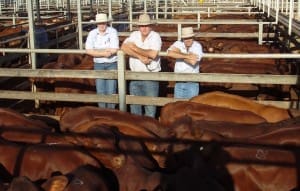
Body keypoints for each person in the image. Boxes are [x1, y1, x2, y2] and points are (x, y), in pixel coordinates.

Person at [121, 13, 162, 118]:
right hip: (134, 76)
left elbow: (152, 54)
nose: (144, 28)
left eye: (146, 26)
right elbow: (123, 47)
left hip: (150, 76)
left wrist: (135, 48)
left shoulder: (155, 36)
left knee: (150, 110)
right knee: (135, 110)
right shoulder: (134, 35)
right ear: (139, 27)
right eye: (142, 26)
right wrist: (139, 56)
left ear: (150, 26)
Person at [85, 13, 119, 109]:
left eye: (103, 23)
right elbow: (88, 50)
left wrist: (97, 52)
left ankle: (110, 112)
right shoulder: (92, 33)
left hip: (111, 63)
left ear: (107, 23)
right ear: (97, 24)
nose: (102, 25)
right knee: (100, 90)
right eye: (100, 23)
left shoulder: (112, 31)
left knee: (111, 90)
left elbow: (115, 48)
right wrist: (104, 53)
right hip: (98, 64)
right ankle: (102, 111)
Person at [167, 27, 203, 99]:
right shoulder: (178, 43)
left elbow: (193, 62)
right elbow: (169, 53)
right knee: (178, 106)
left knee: (191, 106)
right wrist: (188, 56)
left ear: (193, 37)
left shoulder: (197, 46)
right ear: (183, 39)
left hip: (192, 81)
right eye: (186, 38)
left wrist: (178, 53)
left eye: (190, 38)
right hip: (179, 81)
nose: (188, 40)